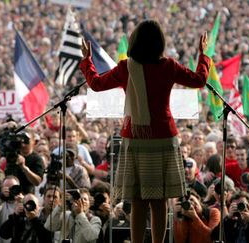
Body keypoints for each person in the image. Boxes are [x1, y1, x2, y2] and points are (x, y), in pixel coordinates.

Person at [79, 19, 210, 243]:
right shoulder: (169, 66)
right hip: (164, 139)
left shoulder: (125, 67)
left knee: (138, 201)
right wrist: (203, 55)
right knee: (159, 202)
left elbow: (96, 84)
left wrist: (87, 60)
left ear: (135, 42)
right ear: (160, 43)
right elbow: (199, 80)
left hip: (135, 140)